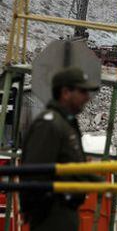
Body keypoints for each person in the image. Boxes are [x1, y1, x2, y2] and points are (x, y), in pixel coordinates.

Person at [20, 67, 101, 231]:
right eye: (82, 91)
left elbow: (67, 166)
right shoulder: (50, 124)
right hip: (52, 215)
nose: (87, 97)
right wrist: (42, 213)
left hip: (64, 212)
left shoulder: (65, 123)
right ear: (65, 93)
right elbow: (36, 173)